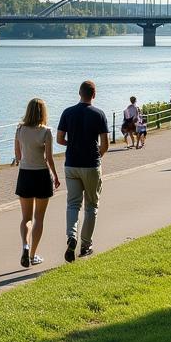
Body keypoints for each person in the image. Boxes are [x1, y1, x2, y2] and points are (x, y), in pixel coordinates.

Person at [57, 79, 109, 262]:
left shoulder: (67, 113)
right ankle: (86, 244)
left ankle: (72, 236)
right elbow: (105, 144)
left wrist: (72, 144)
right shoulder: (99, 114)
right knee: (91, 205)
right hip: (91, 164)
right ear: (93, 95)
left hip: (71, 164)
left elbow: (59, 139)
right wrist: (98, 156)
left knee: (72, 204)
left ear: (79, 93)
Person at [14, 98, 59, 267]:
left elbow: (18, 156)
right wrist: (55, 176)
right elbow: (49, 158)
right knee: (38, 218)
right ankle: (32, 255)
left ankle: (25, 245)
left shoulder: (20, 130)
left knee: (26, 218)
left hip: (25, 174)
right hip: (41, 175)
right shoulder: (46, 131)